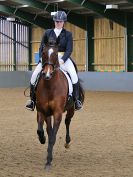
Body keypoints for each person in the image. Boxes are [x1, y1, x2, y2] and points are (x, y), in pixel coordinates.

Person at [26, 11, 82, 111]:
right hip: (48, 58)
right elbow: (42, 46)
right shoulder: (47, 32)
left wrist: (63, 59)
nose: (58, 23)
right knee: (34, 75)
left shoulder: (68, 34)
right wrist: (41, 59)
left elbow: (69, 49)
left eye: (60, 21)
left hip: (62, 58)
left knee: (74, 76)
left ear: (64, 22)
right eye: (56, 21)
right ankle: (32, 100)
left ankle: (76, 100)